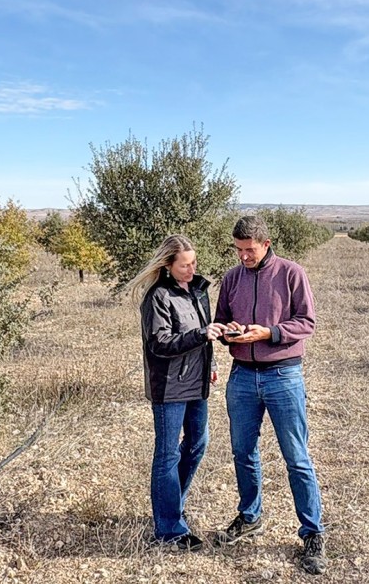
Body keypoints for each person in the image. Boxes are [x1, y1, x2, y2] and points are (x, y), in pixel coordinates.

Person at [212, 215, 327, 575]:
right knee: (243, 451)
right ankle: (249, 516)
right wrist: (230, 332)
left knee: (297, 457)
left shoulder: (292, 273)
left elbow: (306, 322)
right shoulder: (232, 278)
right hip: (242, 377)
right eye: (238, 250)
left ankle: (312, 533)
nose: (243, 256)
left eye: (249, 250)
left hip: (283, 375)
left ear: (266, 243)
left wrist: (269, 333)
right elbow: (221, 320)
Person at [127, 234, 227, 551]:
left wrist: (209, 360)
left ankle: (171, 507)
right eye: (185, 265)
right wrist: (201, 334)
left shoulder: (199, 290)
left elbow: (203, 337)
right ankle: (169, 528)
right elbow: (159, 344)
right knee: (168, 454)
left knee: (198, 443)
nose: (191, 269)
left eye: (194, 262)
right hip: (169, 385)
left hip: (196, 382)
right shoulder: (157, 297)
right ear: (168, 265)